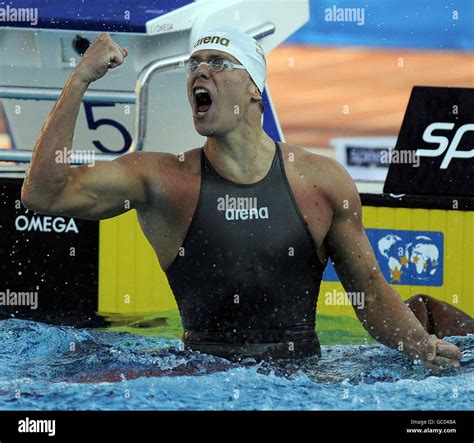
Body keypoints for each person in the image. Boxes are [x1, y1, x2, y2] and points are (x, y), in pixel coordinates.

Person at [21, 28, 471, 371]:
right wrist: (80, 77)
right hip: (200, 378)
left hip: (306, 379)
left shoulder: (321, 181)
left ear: (255, 88)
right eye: (194, 63)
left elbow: (369, 293)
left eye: (218, 62)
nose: (200, 71)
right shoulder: (160, 178)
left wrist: (422, 348)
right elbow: (43, 193)